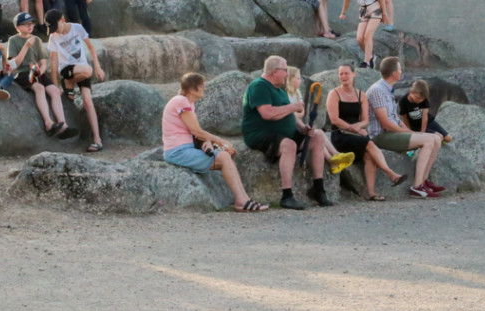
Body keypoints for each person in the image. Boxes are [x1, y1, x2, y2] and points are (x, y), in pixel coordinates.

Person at [163, 73, 268, 212]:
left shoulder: (188, 103)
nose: (204, 88)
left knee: (226, 158)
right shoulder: (181, 101)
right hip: (178, 151)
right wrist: (221, 141)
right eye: (202, 86)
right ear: (193, 89)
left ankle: (243, 199)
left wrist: (208, 141)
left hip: (185, 149)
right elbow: (196, 131)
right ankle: (242, 201)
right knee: (224, 157)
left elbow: (196, 132)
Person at [241, 54, 335, 209]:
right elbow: (267, 113)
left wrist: (302, 127)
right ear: (274, 71)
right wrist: (293, 106)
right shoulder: (259, 86)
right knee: (289, 145)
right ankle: (287, 196)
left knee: (317, 136)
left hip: (284, 133)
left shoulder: (280, 88)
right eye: (285, 70)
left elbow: (288, 114)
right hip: (260, 134)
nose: (287, 74)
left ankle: (318, 189)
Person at [366, 57, 445, 196]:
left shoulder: (388, 90)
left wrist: (410, 132)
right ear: (394, 73)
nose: (401, 71)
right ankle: (417, 187)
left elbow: (395, 117)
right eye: (400, 69)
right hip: (380, 136)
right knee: (428, 140)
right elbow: (385, 124)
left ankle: (424, 181)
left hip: (392, 133)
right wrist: (408, 133)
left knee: (437, 139)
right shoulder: (377, 90)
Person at [327, 65, 404, 200]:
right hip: (340, 135)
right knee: (369, 144)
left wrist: (358, 127)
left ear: (354, 74)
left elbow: (365, 120)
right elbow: (334, 119)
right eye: (341, 74)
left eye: (346, 73)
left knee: (369, 154)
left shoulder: (361, 95)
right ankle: (390, 173)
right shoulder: (334, 94)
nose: (343, 76)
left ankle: (371, 193)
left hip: (357, 134)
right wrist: (353, 128)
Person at [6, 12, 75, 138]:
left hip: (36, 72)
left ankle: (63, 125)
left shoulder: (36, 40)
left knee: (54, 90)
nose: (30, 26)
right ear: (17, 27)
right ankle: (48, 123)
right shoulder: (13, 40)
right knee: (39, 88)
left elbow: (43, 62)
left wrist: (40, 72)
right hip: (22, 72)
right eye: (25, 24)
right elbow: (15, 64)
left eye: (31, 23)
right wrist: (26, 46)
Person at [46, 8, 104, 152]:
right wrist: (56, 85)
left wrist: (98, 67)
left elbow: (90, 46)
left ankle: (97, 139)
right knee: (88, 70)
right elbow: (53, 62)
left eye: (56, 26)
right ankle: (68, 81)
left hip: (81, 68)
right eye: (52, 28)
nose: (55, 30)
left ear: (62, 20)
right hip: (66, 69)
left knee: (88, 102)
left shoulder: (77, 28)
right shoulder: (53, 37)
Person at [339, 0, 385, 67]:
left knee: (367, 35)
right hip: (363, 10)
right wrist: (343, 12)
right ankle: (371, 56)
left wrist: (384, 13)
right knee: (359, 38)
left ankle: (366, 62)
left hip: (375, 8)